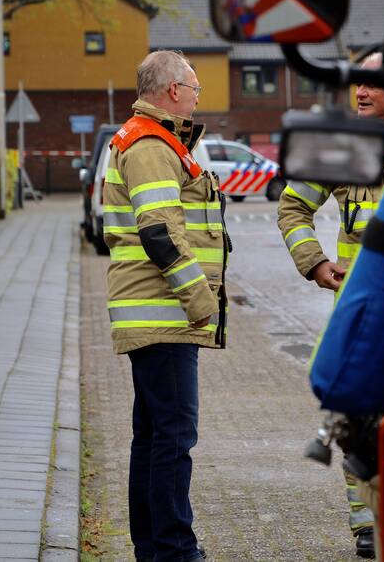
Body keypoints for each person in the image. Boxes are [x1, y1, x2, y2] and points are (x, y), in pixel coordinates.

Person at [277, 52, 384, 559]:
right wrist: (313, 261)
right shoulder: (343, 143)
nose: (359, 91)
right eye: (355, 83)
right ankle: (366, 527)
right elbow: (292, 207)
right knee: (357, 419)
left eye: (372, 84)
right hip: (358, 315)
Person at [105, 50, 229, 562]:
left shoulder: (150, 140)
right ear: (173, 90)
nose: (198, 97)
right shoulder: (153, 144)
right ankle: (175, 551)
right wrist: (201, 301)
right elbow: (161, 233)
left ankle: (154, 548)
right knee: (173, 440)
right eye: (195, 88)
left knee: (153, 438)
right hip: (166, 314)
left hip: (156, 312)